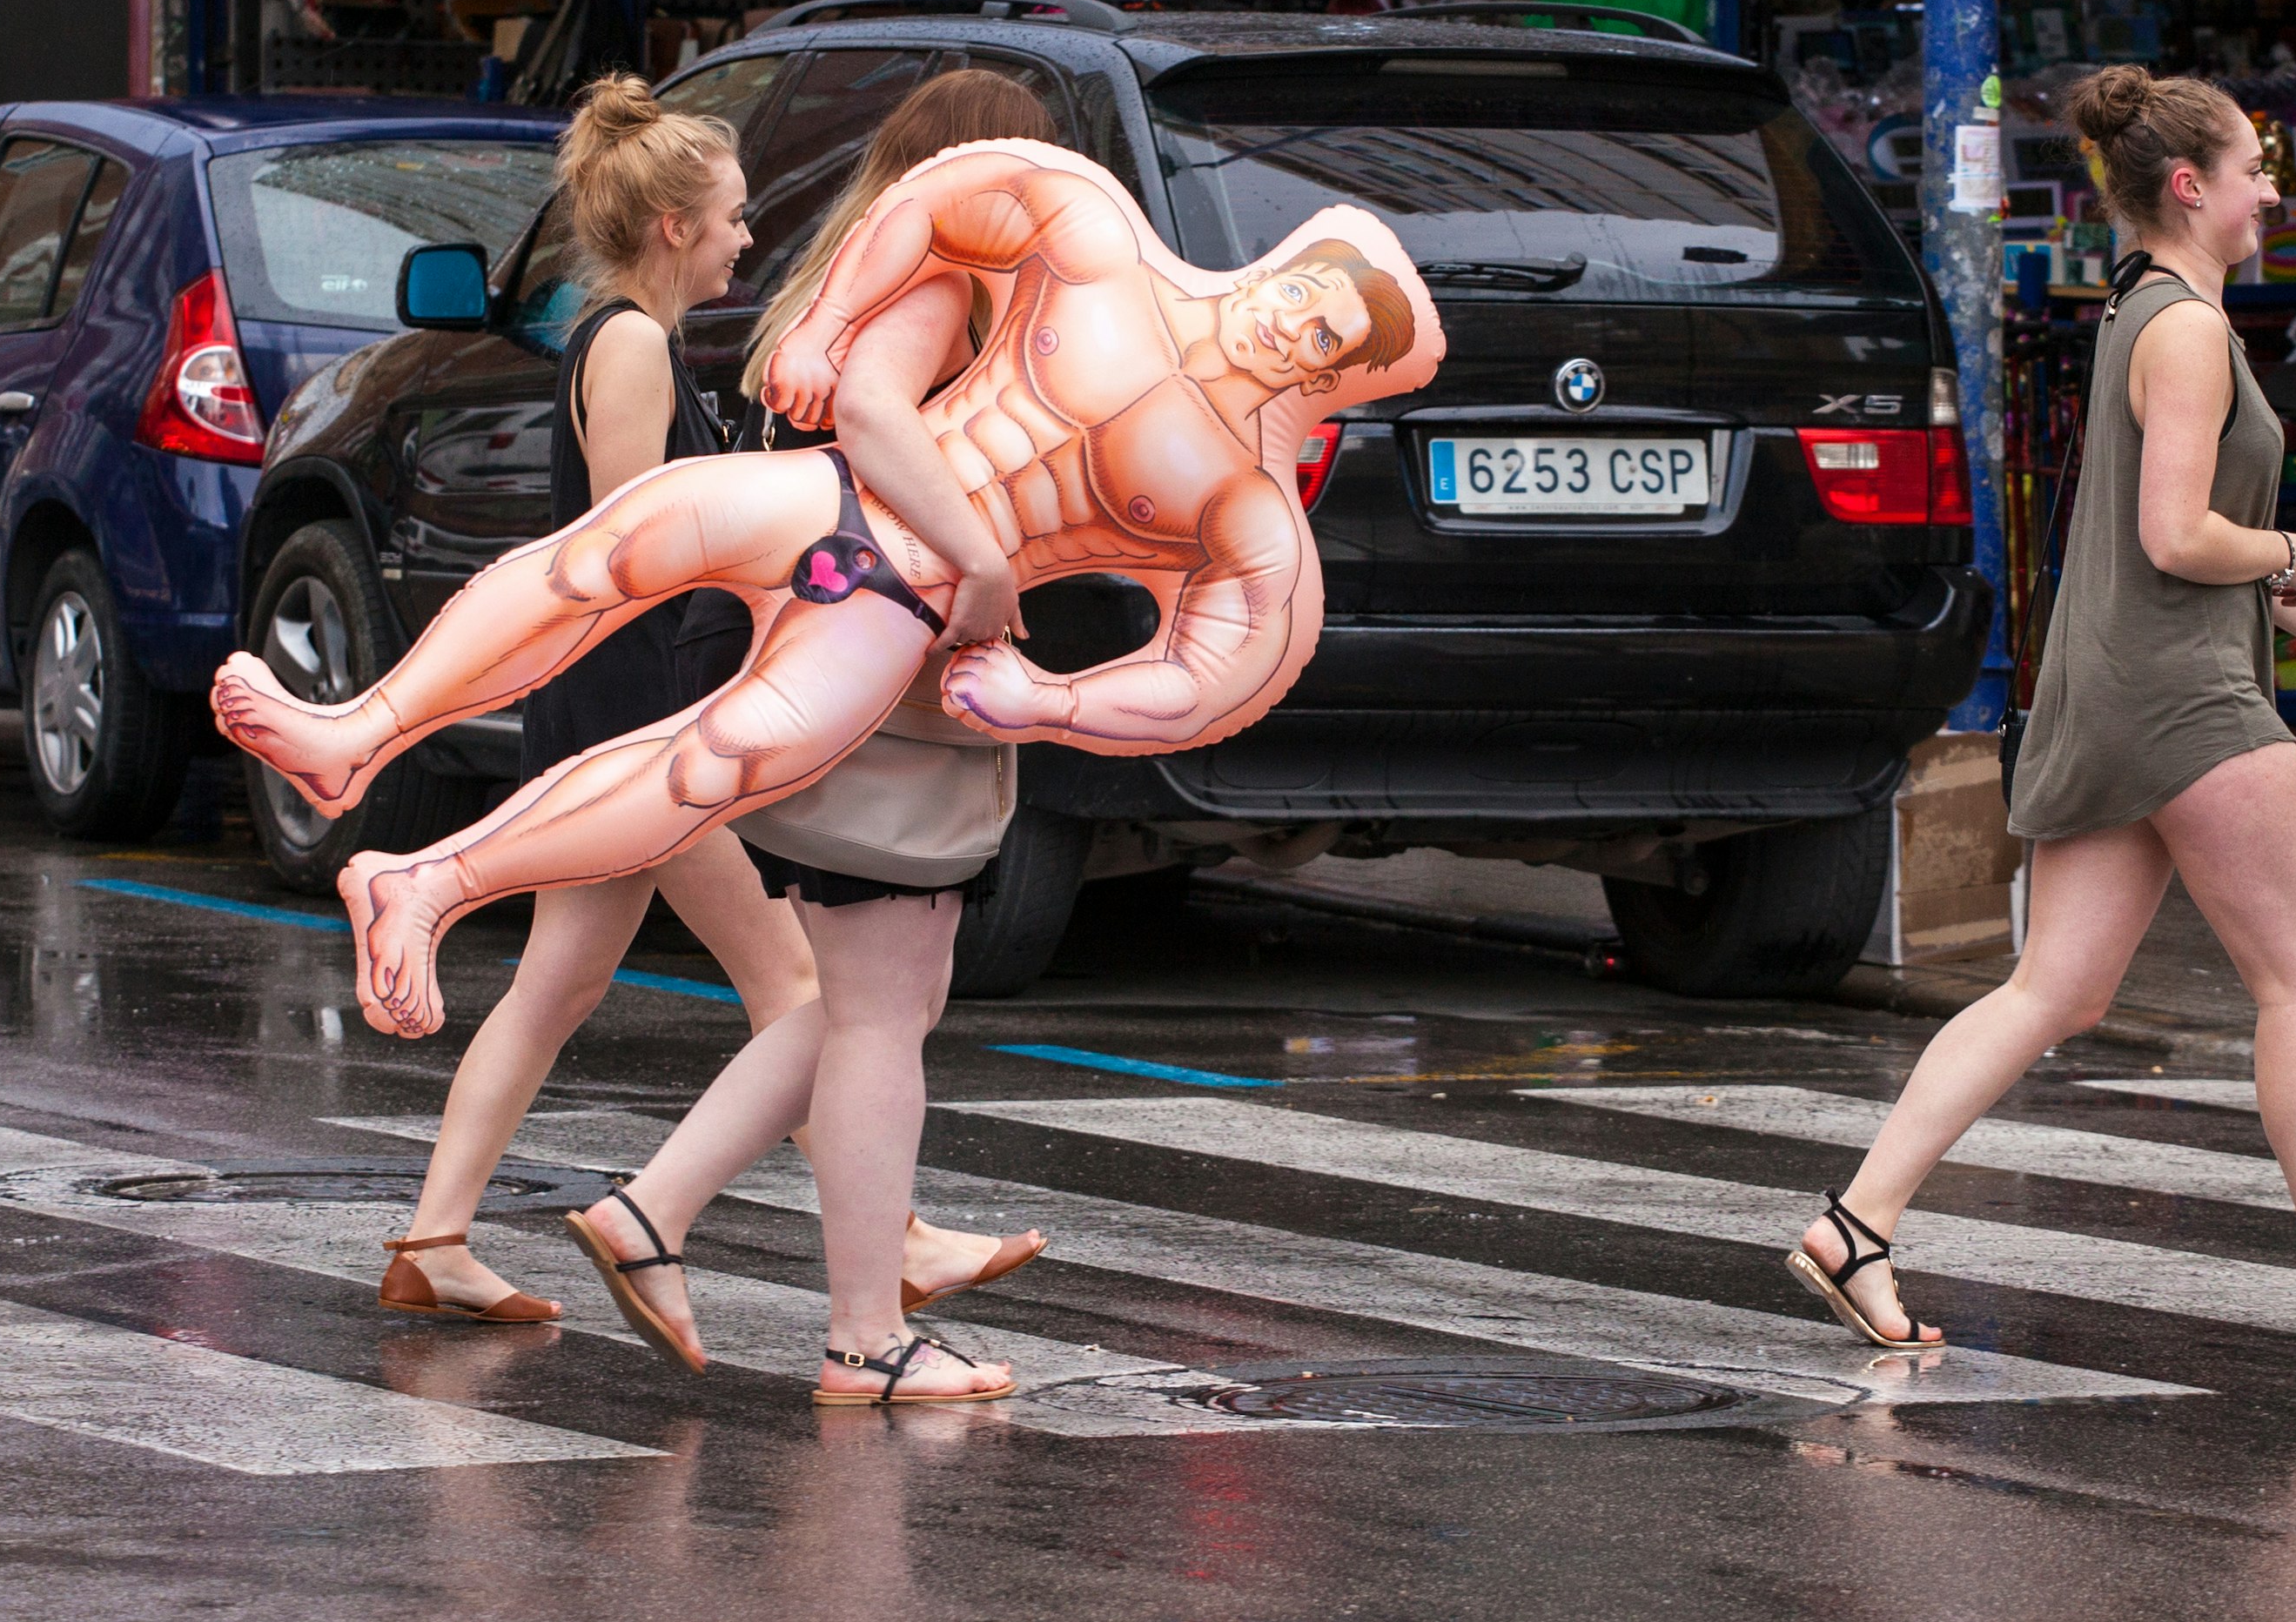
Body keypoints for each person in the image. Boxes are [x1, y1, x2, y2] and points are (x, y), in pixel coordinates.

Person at [212, 126, 1440, 1399]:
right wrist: (844, 356)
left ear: (1335, 374)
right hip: (804, 579)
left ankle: (516, 1133)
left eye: (1326, 338)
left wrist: (1049, 689)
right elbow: (955, 219)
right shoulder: (1081, 259)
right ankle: (807, 1263)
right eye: (1305, 295)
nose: (752, 235)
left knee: (718, 942)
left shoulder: (1234, 481)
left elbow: (1233, 652)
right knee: (801, 963)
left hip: (866, 616)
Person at [1788, 66, 2296, 1355]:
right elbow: (2182, 538)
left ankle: (1857, 1224)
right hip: (2190, 706)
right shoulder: (2187, 332)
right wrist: (2286, 556)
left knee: (2051, 989)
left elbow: (2159, 536)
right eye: (2252, 172)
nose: (2271, 192)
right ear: (2189, 186)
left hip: (2111, 692)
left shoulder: (2135, 312)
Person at [365, 76, 1027, 1329]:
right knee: (795, 988)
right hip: (644, 717)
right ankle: (895, 1248)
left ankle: (433, 1239)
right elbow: (642, 550)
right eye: (728, 217)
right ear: (673, 227)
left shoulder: (631, 340)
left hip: (613, 707)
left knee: (560, 984)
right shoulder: (626, 344)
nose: (745, 239)